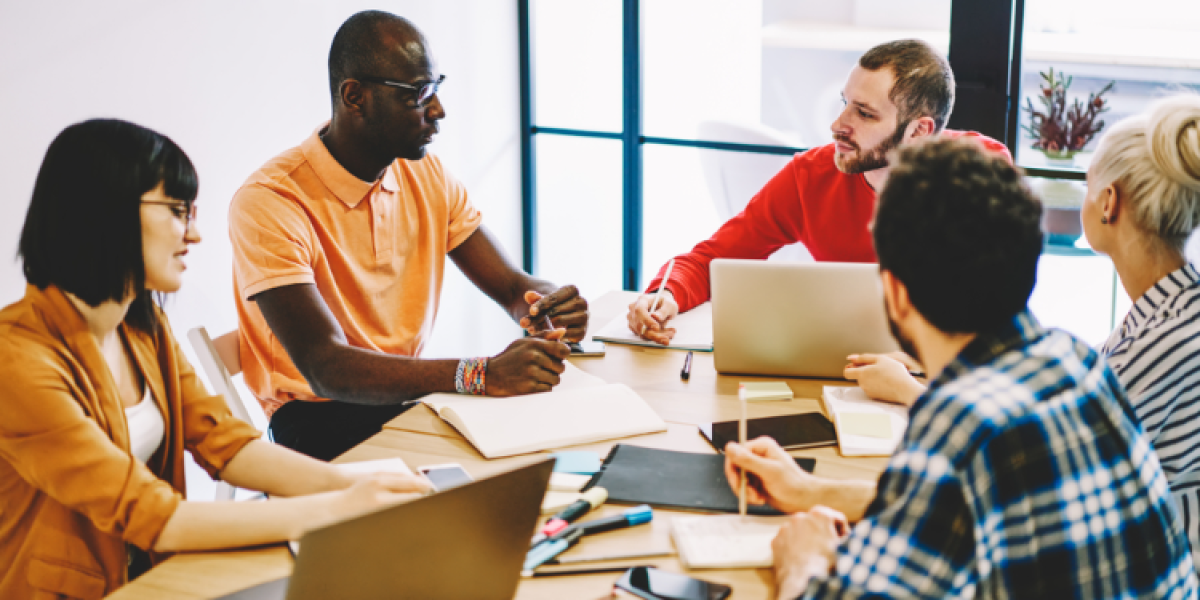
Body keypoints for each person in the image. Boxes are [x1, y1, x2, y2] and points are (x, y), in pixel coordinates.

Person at [724, 138, 1198, 599]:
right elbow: (939, 508)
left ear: (895, 293)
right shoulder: (1077, 361)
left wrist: (803, 560)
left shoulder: (958, 422)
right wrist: (806, 489)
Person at [0, 119, 432, 599]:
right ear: (105, 212)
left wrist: (346, 485)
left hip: (151, 575)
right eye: (177, 211)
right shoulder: (15, 360)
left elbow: (221, 441)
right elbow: (152, 514)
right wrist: (337, 507)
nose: (195, 234)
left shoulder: (142, 327)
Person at [847, 94, 1200, 559]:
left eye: (1088, 185)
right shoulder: (1171, 309)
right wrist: (933, 363)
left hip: (1150, 555)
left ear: (1109, 203)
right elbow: (1047, 404)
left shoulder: (1168, 339)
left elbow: (1035, 466)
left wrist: (912, 391)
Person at [229, 11, 588, 461]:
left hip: (403, 398)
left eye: (436, 88)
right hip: (315, 418)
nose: (438, 110)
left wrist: (548, 305)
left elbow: (514, 286)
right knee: (497, 471)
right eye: (419, 94)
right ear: (355, 97)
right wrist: (481, 375)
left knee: (544, 450)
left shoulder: (426, 174)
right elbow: (327, 367)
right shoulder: (271, 201)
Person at [626, 39, 1011, 344]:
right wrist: (665, 295)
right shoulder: (811, 176)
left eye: (864, 113)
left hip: (944, 373)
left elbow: (995, 301)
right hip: (842, 362)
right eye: (845, 103)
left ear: (919, 131)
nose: (837, 124)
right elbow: (709, 259)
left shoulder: (981, 170)